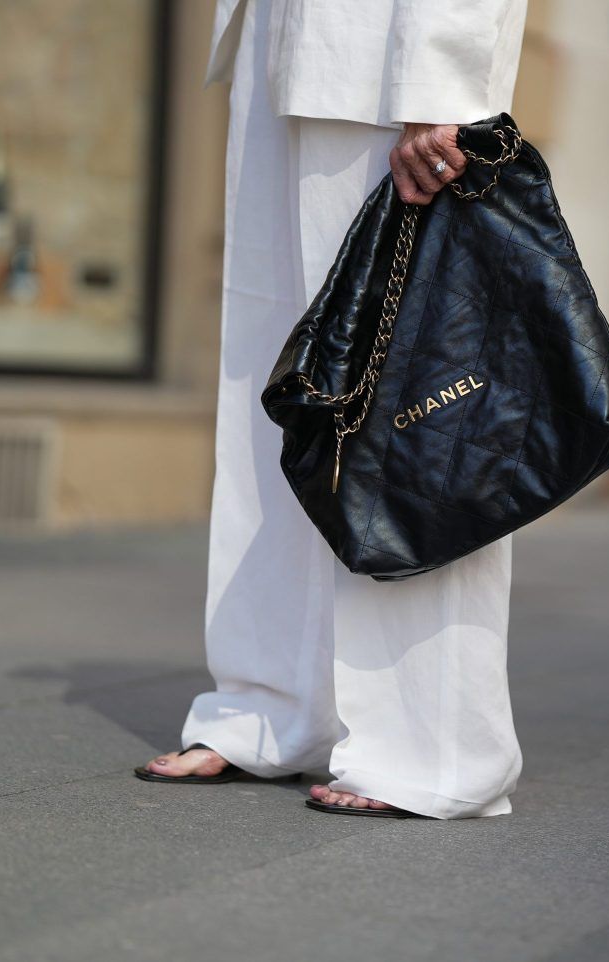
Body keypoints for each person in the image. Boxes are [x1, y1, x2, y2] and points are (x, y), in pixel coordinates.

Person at [134, 0, 529, 819]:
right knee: (274, 396)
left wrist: (441, 78)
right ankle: (274, 706)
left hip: (389, 59)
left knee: (411, 410)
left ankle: (435, 749)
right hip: (281, 43)